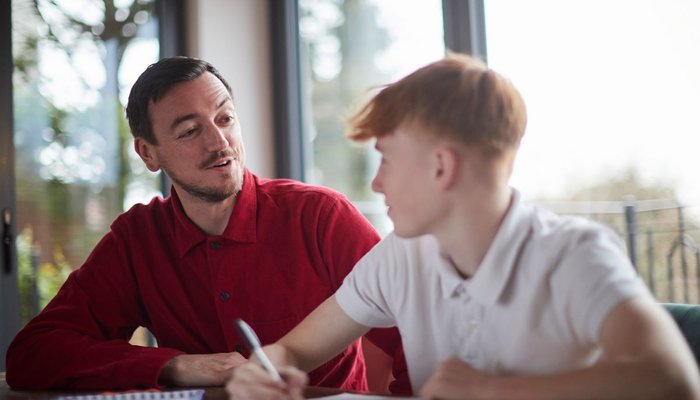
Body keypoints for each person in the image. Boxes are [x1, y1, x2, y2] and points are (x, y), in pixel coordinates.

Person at [226, 53, 700, 400]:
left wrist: (489, 391)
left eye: (386, 160)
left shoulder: (574, 252)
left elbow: (673, 378)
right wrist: (266, 371)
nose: (376, 181)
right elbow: (293, 350)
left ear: (440, 167)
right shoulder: (400, 256)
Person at [5, 57, 408, 393]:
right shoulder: (138, 240)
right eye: (190, 131)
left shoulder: (321, 217)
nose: (220, 142)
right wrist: (177, 366)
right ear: (148, 153)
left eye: (225, 118)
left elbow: (414, 332)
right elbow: (33, 354)